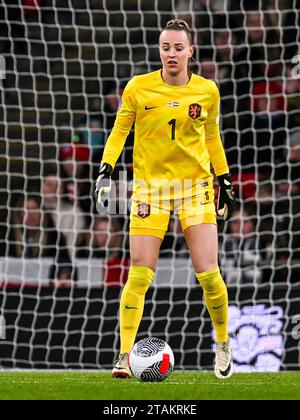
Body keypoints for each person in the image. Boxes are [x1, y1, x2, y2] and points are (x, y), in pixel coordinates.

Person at [95, 19, 235, 379]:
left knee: (209, 275)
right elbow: (119, 130)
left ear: (190, 51)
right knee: (139, 273)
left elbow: (212, 138)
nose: (171, 53)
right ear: (159, 50)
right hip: (150, 190)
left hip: (195, 188)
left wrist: (226, 180)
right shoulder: (138, 88)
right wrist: (106, 169)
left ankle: (222, 344)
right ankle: (124, 355)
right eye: (165, 47)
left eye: (177, 47)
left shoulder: (207, 91)